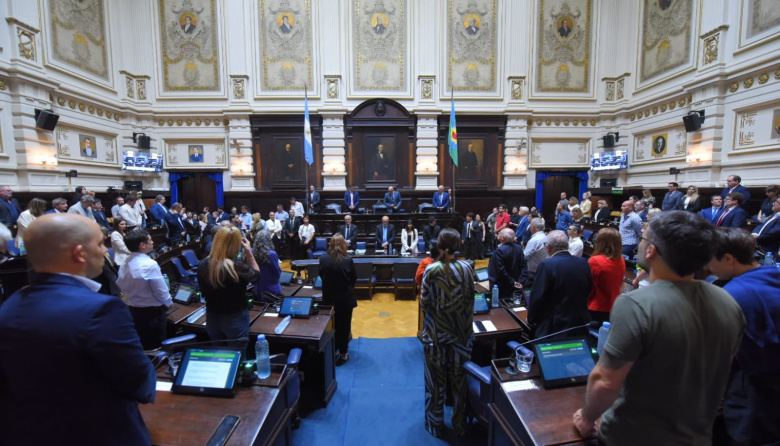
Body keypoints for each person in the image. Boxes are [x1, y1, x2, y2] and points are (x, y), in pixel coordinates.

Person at [573, 211, 745, 444]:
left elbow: (606, 381)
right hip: (698, 435)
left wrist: (586, 418)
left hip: (634, 437)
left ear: (651, 250)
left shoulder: (635, 304)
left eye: (643, 238)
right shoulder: (728, 301)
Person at [0, 214, 156, 445]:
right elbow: (139, 383)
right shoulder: (101, 309)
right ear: (79, 253)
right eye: (100, 243)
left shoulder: (9, 306)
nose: (105, 250)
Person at [708, 228, 780, 446]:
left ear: (729, 259)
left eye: (710, 259)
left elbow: (721, 358)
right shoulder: (772, 273)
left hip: (755, 399)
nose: (708, 266)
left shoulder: (734, 295)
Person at [420, 228, 475, 438]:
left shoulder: (432, 270)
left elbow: (425, 303)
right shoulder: (467, 268)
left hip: (437, 335)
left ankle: (435, 425)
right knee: (460, 382)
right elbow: (471, 298)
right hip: (462, 334)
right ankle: (459, 424)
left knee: (435, 382)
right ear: (458, 245)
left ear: (439, 246)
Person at [198, 226, 260, 340]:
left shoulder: (202, 264)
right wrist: (249, 252)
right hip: (235, 319)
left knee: (219, 351)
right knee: (236, 352)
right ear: (236, 245)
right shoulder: (236, 267)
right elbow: (256, 276)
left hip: (212, 318)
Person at [527, 230, 592, 337]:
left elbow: (538, 296)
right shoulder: (583, 262)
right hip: (580, 321)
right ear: (567, 245)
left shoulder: (547, 265)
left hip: (555, 325)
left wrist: (531, 318)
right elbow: (589, 287)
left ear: (548, 247)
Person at [117, 229, 171, 349]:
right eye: (150, 240)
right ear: (142, 245)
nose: (152, 242)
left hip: (133, 310)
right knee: (157, 345)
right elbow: (160, 290)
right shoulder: (149, 264)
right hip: (152, 313)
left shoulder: (124, 262)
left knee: (143, 343)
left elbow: (120, 284)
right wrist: (168, 302)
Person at [319, 233, 357, 365]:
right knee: (344, 327)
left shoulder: (323, 259)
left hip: (329, 299)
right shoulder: (348, 260)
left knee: (332, 326)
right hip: (345, 299)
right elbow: (353, 279)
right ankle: (343, 354)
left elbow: (321, 275)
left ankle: (334, 351)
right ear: (343, 245)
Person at [586, 227, 625, 324]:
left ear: (601, 242)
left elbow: (588, 287)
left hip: (594, 308)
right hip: (612, 307)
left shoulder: (595, 261)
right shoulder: (621, 260)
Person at [488, 228, 525, 299]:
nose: (498, 234)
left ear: (503, 238)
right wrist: (520, 281)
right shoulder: (519, 248)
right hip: (516, 285)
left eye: (500, 233)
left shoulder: (500, 251)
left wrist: (512, 282)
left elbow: (500, 270)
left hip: (502, 287)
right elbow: (524, 266)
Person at [252, 230, 282, 300]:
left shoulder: (252, 251)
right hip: (271, 290)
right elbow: (277, 273)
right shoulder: (271, 254)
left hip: (257, 289)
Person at [523, 218, 548, 288]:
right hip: (544, 270)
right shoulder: (546, 237)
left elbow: (525, 256)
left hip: (533, 272)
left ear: (533, 227)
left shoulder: (534, 240)